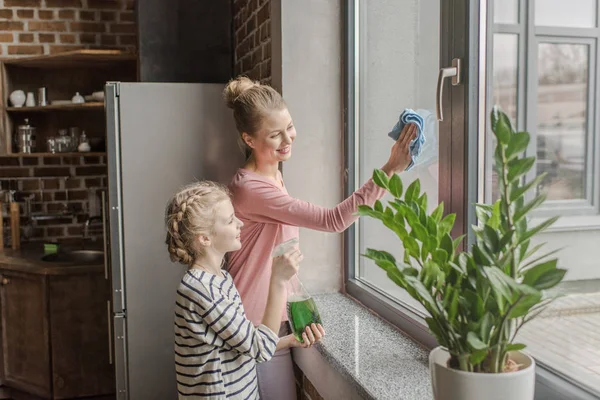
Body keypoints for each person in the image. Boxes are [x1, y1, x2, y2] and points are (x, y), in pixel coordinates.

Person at [224, 76, 417, 399]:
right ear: (249, 139)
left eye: (290, 126)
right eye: (275, 134)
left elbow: (276, 253)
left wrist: (300, 309)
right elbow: (334, 220)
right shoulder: (250, 187)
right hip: (254, 325)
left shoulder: (272, 176)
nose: (288, 139)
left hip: (272, 321)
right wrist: (391, 168)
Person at [165, 181, 325, 399]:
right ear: (204, 238)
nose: (240, 223)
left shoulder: (221, 279)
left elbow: (243, 344)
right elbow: (260, 348)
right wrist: (277, 280)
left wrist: (289, 341)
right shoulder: (200, 290)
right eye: (230, 220)